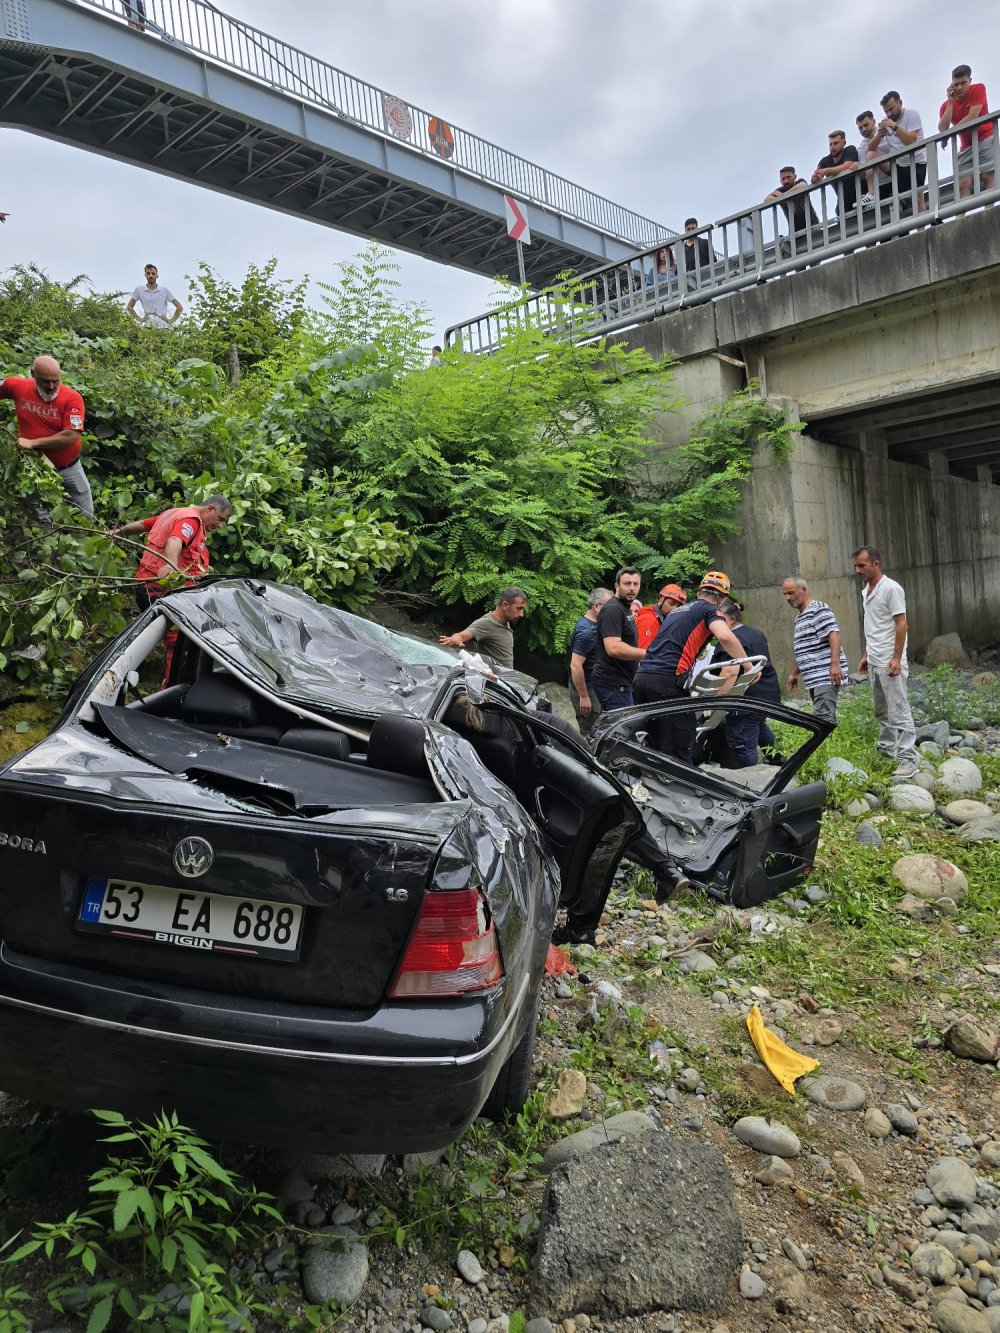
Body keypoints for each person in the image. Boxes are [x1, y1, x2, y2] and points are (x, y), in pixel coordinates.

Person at [112, 495, 233, 680]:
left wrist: (117, 533)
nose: (221, 525)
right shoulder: (191, 520)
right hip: (160, 589)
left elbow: (142, 525)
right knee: (177, 643)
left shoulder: (173, 514)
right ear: (209, 509)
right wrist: (171, 566)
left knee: (166, 639)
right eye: (221, 519)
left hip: (148, 587)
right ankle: (171, 690)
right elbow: (175, 541)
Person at [633, 571, 746, 764]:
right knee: (680, 744)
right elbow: (725, 636)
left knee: (654, 743)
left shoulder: (677, 612)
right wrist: (749, 663)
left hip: (642, 680)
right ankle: (676, 791)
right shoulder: (709, 610)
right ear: (723, 598)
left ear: (700, 591)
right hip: (666, 682)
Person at [852, 545, 919, 778]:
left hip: (890, 662)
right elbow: (875, 627)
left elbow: (902, 624)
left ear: (876, 564)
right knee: (882, 710)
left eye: (862, 565)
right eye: (856, 566)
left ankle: (908, 759)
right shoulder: (866, 591)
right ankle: (886, 750)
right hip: (875, 660)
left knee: (898, 709)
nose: (858, 570)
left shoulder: (891, 589)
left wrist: (897, 658)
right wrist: (866, 655)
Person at [0, 355, 94, 520]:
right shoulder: (17, 386)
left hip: (68, 467)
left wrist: (33, 443)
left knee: (85, 514)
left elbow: (71, 436)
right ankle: (44, 541)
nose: (51, 386)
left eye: (55, 381)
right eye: (45, 381)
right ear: (33, 374)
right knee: (40, 515)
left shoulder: (72, 398)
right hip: (33, 467)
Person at [710, 599, 782, 767]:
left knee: (741, 739)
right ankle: (778, 760)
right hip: (767, 693)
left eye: (719, 620)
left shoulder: (730, 641)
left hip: (746, 698)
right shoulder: (756, 633)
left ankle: (749, 779)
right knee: (758, 725)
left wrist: (715, 703)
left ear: (732, 619)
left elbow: (729, 672)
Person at [782, 576, 848, 723]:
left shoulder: (818, 609)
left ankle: (828, 745)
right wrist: (794, 673)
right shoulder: (800, 616)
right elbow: (806, 648)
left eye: (791, 593)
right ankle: (828, 744)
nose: (787, 597)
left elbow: (834, 635)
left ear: (803, 590)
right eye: (785, 594)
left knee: (823, 719)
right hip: (815, 676)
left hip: (824, 674)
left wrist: (835, 664)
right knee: (822, 717)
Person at [590, 567, 646, 712]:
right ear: (617, 586)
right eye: (627, 584)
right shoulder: (613, 610)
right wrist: (648, 654)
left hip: (622, 683)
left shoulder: (625, 608)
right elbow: (613, 647)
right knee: (622, 732)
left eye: (636, 584)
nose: (632, 588)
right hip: (612, 684)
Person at [938, 64, 995, 198]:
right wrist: (950, 102)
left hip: (985, 137)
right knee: (963, 183)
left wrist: (949, 133)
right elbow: (942, 129)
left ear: (970, 80)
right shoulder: (946, 105)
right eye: (956, 84)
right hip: (966, 147)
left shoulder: (978, 88)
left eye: (963, 83)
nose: (959, 87)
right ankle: (960, 217)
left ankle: (989, 212)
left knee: (988, 177)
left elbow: (972, 117)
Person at [439, 587, 527, 670]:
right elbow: (462, 635)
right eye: (519, 609)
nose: (521, 614)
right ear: (505, 605)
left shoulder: (506, 622)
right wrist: (456, 638)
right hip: (492, 682)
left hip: (506, 681)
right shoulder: (487, 622)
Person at [871, 92, 927, 211]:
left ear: (900, 103)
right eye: (886, 111)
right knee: (902, 200)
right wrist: (878, 136)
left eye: (891, 109)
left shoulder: (912, 114)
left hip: (916, 161)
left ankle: (921, 229)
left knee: (917, 197)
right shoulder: (885, 121)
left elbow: (911, 141)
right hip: (899, 165)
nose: (889, 114)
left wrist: (895, 127)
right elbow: (870, 149)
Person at [568, 587, 612, 735]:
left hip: (596, 687)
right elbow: (575, 665)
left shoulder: (595, 625)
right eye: (609, 606)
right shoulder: (587, 631)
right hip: (587, 690)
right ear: (597, 606)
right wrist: (584, 697)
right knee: (590, 734)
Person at [810, 130, 860, 214]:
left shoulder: (850, 150)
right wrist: (815, 177)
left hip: (860, 197)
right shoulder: (825, 161)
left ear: (844, 143)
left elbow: (847, 166)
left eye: (836, 143)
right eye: (830, 144)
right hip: (842, 206)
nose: (832, 147)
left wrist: (827, 171)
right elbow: (814, 178)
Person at [763, 167, 819, 237]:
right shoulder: (780, 190)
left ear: (795, 177)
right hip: (795, 233)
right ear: (780, 181)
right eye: (783, 179)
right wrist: (781, 195)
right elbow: (766, 200)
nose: (786, 181)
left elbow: (803, 185)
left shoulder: (799, 182)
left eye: (788, 177)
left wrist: (783, 196)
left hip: (812, 226)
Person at [634, 583, 687, 650]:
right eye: (671, 604)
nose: (674, 609)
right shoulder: (648, 620)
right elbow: (643, 655)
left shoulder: (662, 621)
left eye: (679, 607)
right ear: (661, 600)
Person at [854, 111, 882, 205]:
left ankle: (871, 194)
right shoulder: (861, 147)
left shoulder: (884, 132)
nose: (863, 129)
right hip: (879, 184)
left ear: (874, 121)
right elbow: (864, 172)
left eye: (866, 125)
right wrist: (857, 166)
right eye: (860, 128)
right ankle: (870, 194)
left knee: (871, 154)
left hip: (895, 173)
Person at [681, 218, 713, 286]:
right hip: (688, 283)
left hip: (705, 280)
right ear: (685, 231)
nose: (691, 231)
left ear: (697, 228)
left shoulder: (705, 243)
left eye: (693, 228)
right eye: (688, 229)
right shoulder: (681, 249)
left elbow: (713, 261)